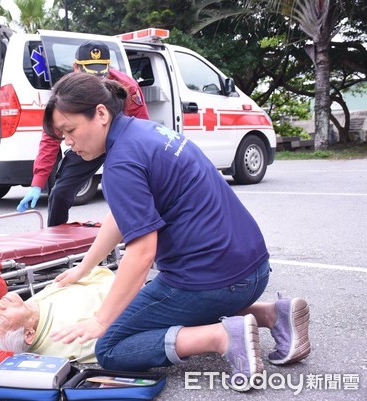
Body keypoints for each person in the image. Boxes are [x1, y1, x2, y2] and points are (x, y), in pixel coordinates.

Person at [42, 73, 311, 392]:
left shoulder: (121, 164)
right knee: (162, 302)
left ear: (100, 114)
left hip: (213, 282)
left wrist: (101, 321)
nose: (67, 143)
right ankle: (272, 314)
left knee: (111, 347)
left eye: (69, 130)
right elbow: (120, 214)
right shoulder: (147, 131)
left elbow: (142, 255)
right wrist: (84, 269)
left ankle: (223, 337)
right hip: (254, 271)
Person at [16, 40, 149, 227]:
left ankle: (127, 236)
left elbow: (141, 127)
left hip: (119, 143)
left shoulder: (127, 87)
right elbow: (51, 138)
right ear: (76, 67)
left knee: (122, 190)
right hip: (87, 143)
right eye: (90, 71)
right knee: (60, 192)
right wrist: (38, 182)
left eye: (102, 71)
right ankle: (55, 239)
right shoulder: (66, 91)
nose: (98, 78)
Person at [0, 267, 114, 367]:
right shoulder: (71, 337)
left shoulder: (29, 310)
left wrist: (85, 267)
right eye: (2, 318)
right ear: (28, 334)